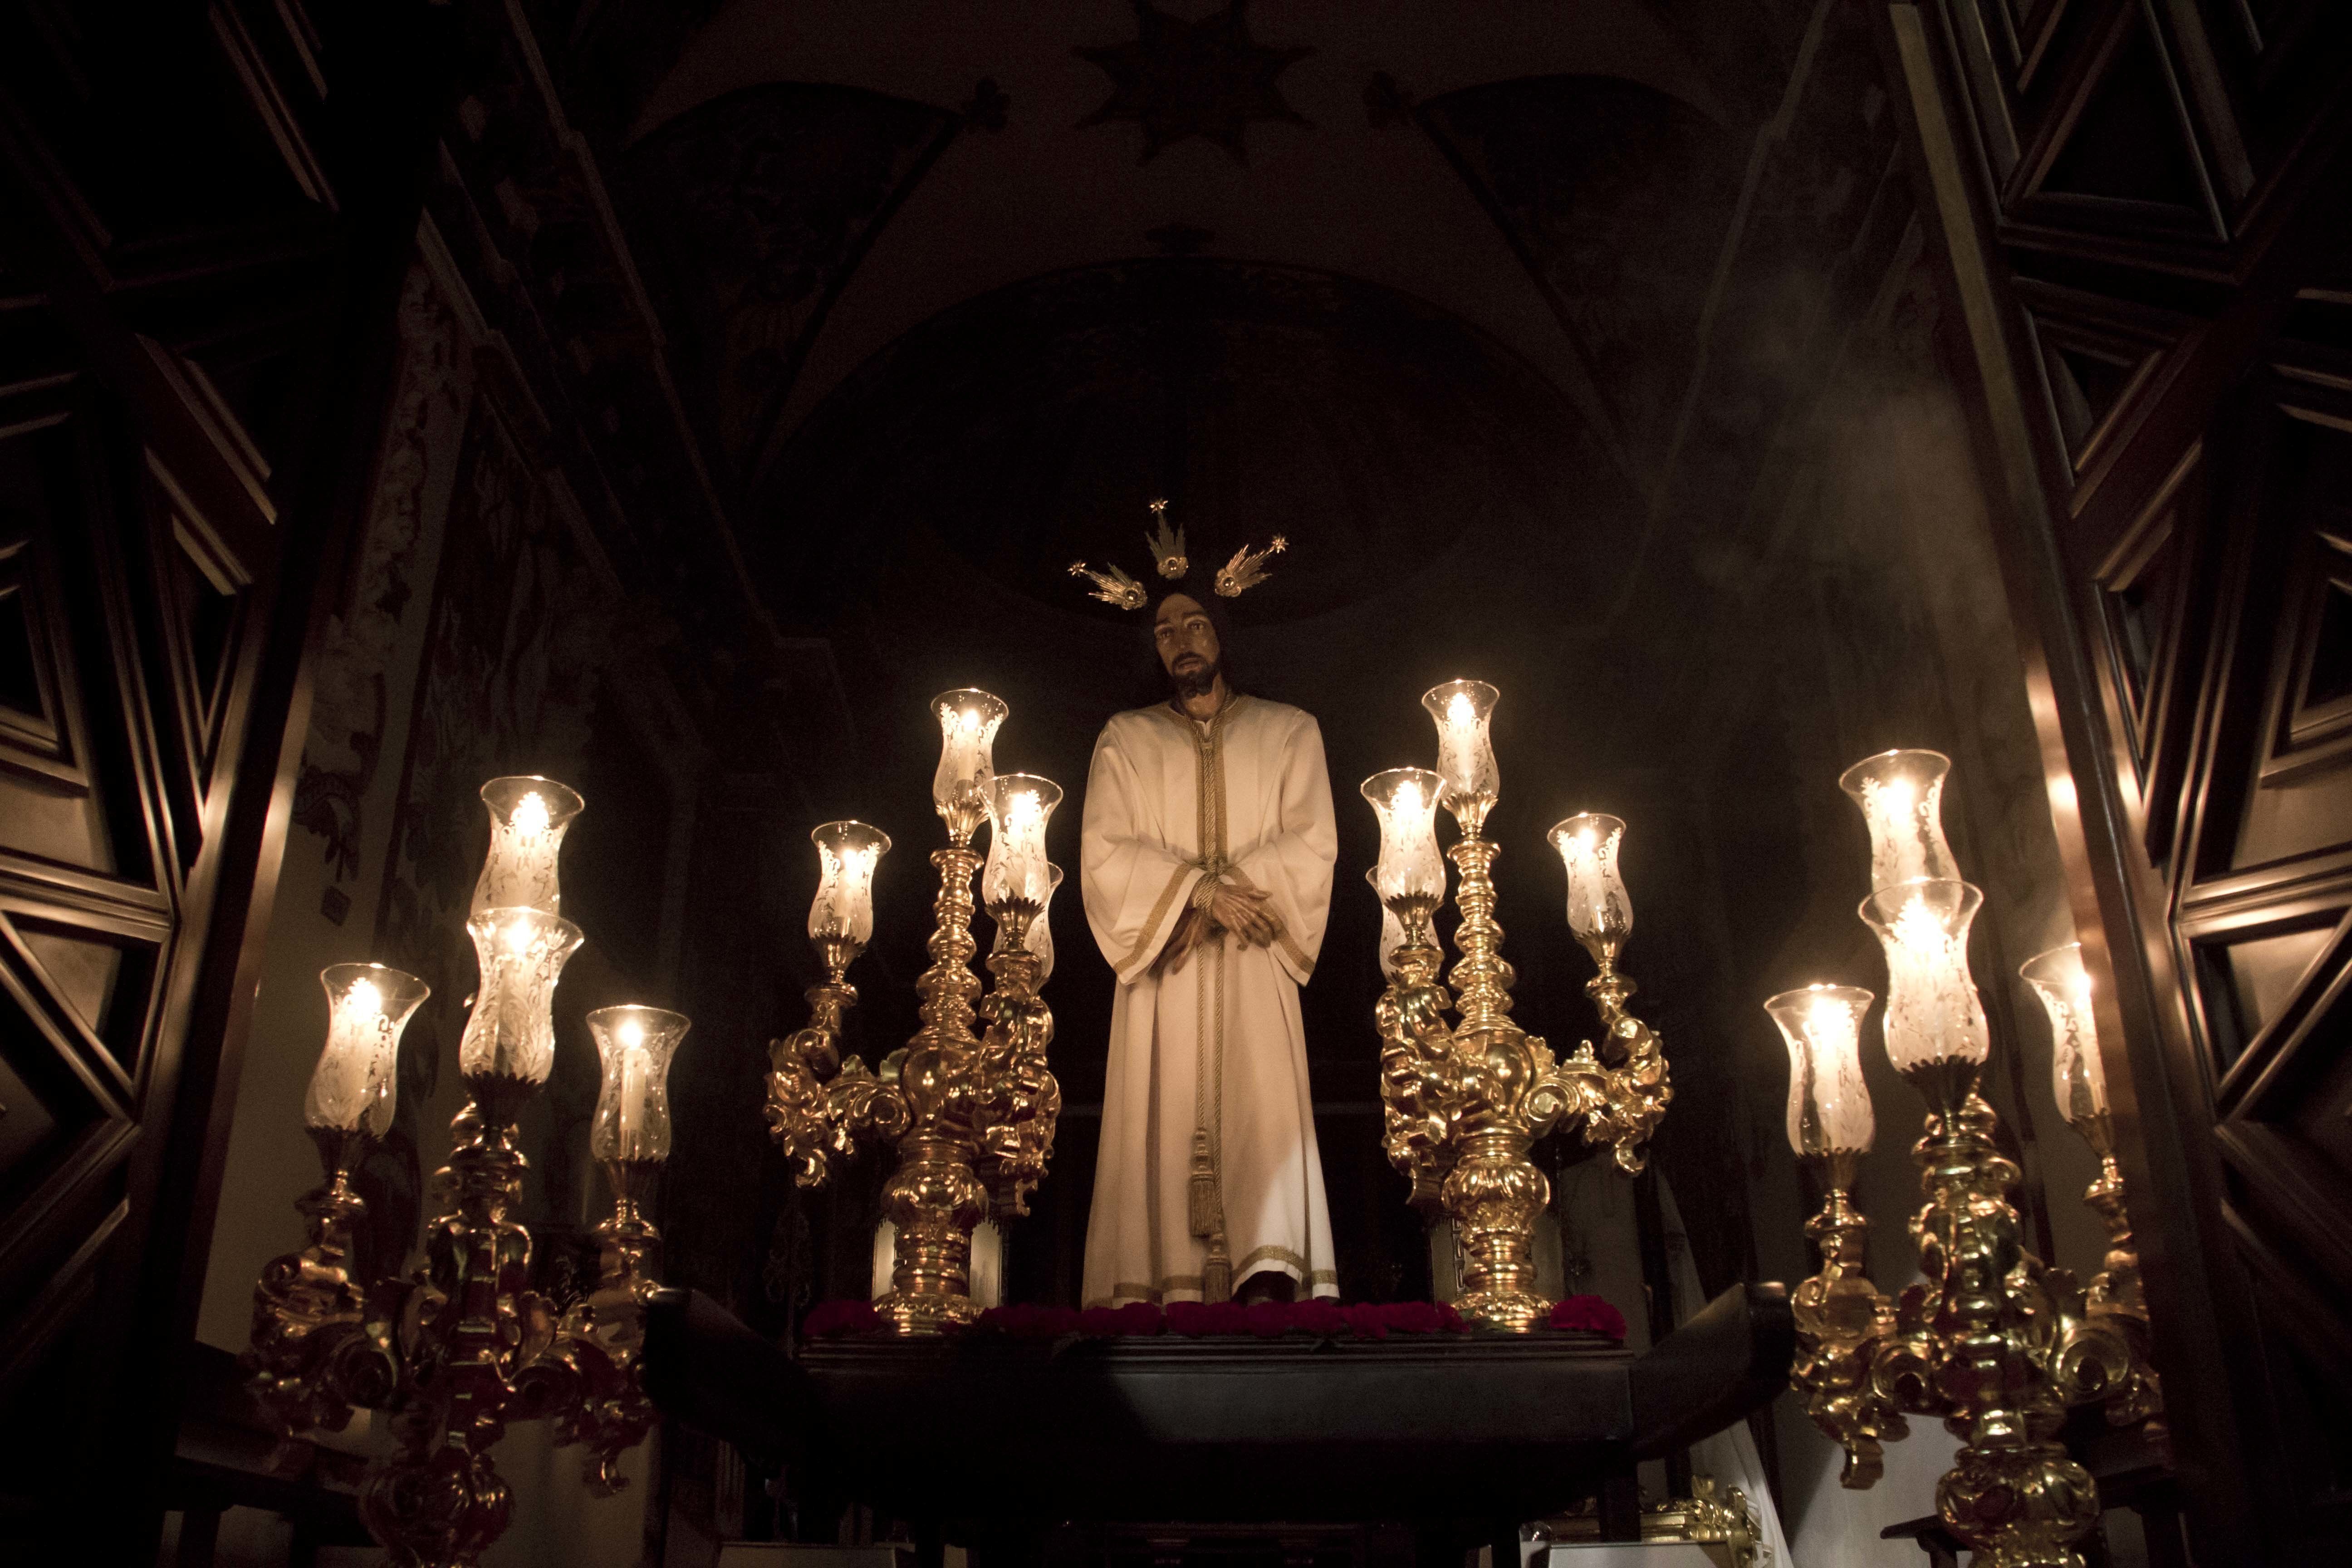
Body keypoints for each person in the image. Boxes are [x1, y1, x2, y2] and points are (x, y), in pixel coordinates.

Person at [1078, 590, 1339, 1307]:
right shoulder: (1125, 740)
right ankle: (1163, 1284)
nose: (1181, 640)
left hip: (1256, 960)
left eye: (1195, 624)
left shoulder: (1289, 732)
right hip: (1170, 965)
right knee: (1157, 1119)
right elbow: (1104, 849)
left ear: (1223, 633)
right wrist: (1196, 892)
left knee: (1263, 1106)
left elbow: (1311, 838)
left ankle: (1269, 1272)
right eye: (1165, 630)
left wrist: (1230, 896)